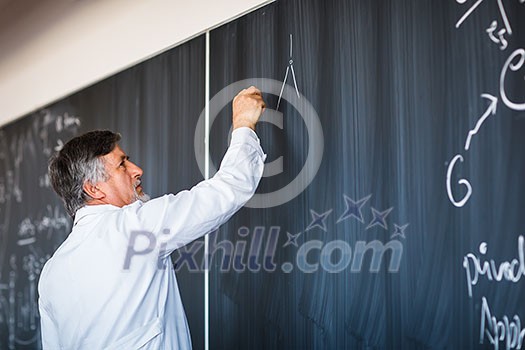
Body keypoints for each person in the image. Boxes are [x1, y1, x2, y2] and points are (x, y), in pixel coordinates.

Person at [38, 86, 266, 349]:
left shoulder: (51, 273)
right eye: (123, 164)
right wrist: (244, 125)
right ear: (93, 188)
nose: (137, 170)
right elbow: (225, 192)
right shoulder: (135, 226)